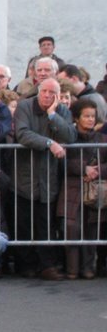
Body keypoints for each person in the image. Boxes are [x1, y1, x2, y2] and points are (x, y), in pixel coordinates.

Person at [13, 78, 76, 280]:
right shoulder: (24, 107)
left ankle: (47, 265)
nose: (48, 96)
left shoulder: (62, 111)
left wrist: (52, 115)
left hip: (49, 176)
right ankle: (26, 264)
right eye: (45, 91)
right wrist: (49, 143)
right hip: (25, 175)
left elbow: (69, 135)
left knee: (45, 223)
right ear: (38, 91)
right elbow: (23, 134)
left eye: (53, 93)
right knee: (24, 222)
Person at [61, 98, 104, 279]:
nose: (90, 119)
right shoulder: (69, 138)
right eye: (86, 116)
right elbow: (62, 161)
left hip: (95, 189)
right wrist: (83, 168)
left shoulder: (102, 139)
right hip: (72, 189)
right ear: (77, 118)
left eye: (92, 116)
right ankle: (72, 269)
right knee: (72, 227)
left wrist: (97, 171)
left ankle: (88, 269)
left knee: (92, 228)